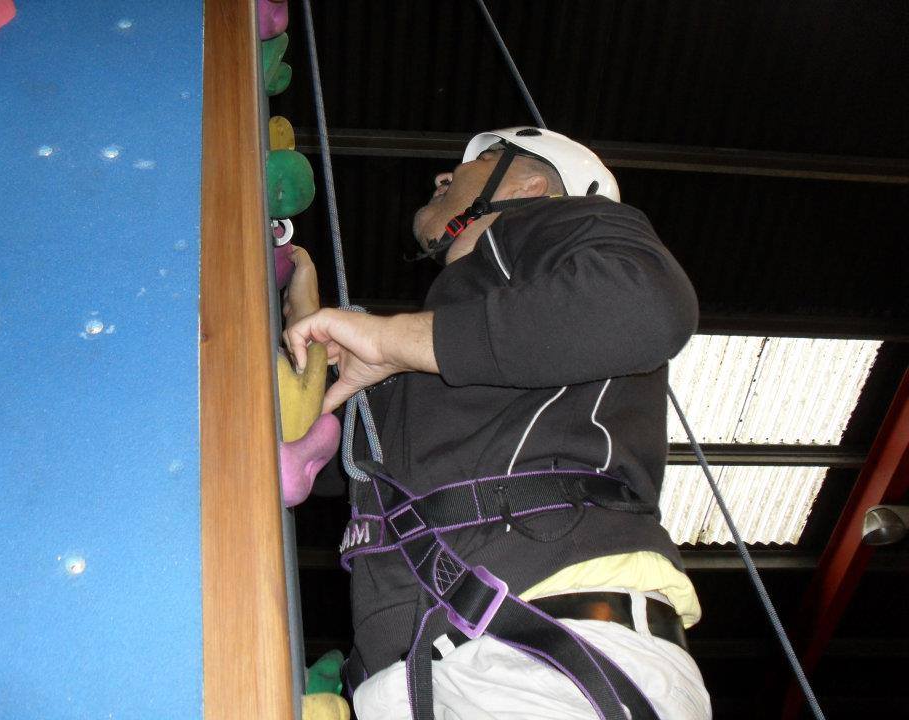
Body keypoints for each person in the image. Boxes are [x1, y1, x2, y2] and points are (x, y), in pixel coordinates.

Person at [284, 128, 711, 720]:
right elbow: (325, 459)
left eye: (482, 159)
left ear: (534, 186)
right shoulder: (432, 346)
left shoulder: (559, 228)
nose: (443, 176)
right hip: (429, 681)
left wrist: (393, 338)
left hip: (550, 655)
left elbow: (643, 304)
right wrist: (301, 340)